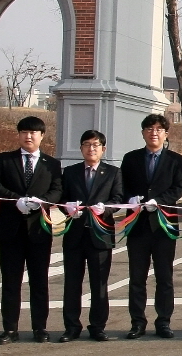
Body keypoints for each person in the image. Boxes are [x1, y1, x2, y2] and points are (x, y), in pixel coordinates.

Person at [0, 115, 63, 344]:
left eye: (33, 133)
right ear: (18, 135)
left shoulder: (52, 164)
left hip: (39, 229)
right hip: (11, 229)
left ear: (41, 136)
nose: (29, 136)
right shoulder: (5, 160)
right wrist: (15, 199)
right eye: (24, 132)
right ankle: (10, 329)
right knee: (11, 281)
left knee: (39, 281)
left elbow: (58, 190)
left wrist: (41, 202)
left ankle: (40, 328)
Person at [120, 114, 182, 339]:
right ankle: (137, 322)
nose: (154, 132)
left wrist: (158, 201)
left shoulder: (176, 160)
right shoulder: (130, 159)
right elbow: (123, 187)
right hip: (137, 225)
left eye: (159, 129)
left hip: (163, 226)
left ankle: (164, 321)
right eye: (149, 128)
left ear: (166, 133)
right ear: (143, 133)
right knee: (137, 277)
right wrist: (131, 199)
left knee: (164, 276)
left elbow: (178, 189)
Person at [58, 130, 124, 342]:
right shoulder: (70, 172)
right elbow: (61, 198)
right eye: (87, 144)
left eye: (96, 145)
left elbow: (118, 199)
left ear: (103, 149)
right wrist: (68, 209)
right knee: (72, 284)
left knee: (99, 284)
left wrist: (104, 209)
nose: (91, 148)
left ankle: (98, 326)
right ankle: (71, 326)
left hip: (101, 234)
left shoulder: (113, 172)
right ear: (81, 148)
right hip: (75, 235)